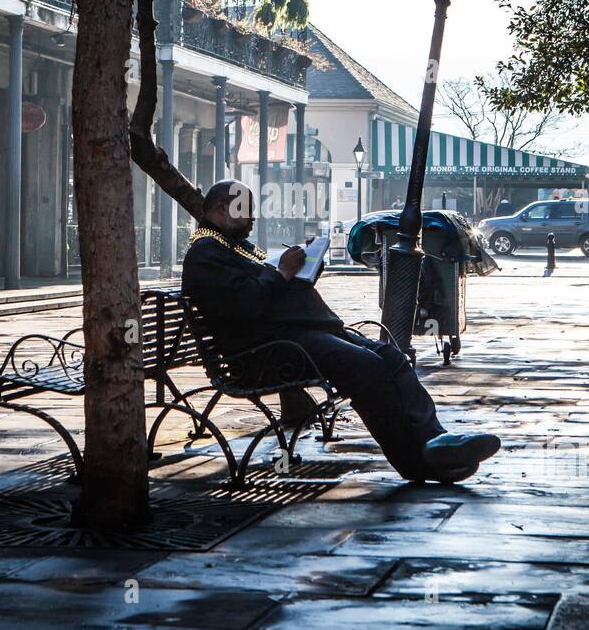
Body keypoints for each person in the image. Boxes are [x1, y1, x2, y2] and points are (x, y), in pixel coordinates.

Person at [181, 179, 501, 483]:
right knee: (366, 367)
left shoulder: (231, 247)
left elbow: (266, 289)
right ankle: (415, 462)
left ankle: (436, 438)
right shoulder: (206, 255)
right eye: (244, 210)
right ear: (222, 210)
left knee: (389, 355)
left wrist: (301, 271)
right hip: (269, 351)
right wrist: (281, 273)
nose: (252, 217)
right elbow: (246, 306)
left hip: (299, 337)